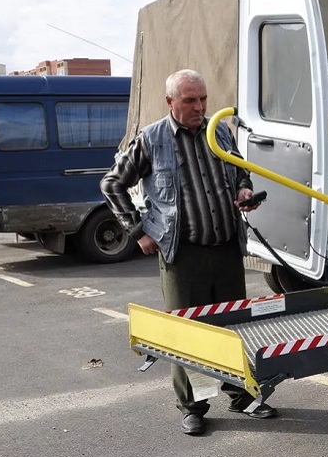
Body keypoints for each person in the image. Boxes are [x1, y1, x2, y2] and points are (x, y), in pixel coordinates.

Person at [100, 68, 277, 436]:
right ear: (170, 102)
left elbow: (239, 174)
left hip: (227, 246)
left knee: (233, 327)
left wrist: (244, 191)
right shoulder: (152, 139)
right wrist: (138, 231)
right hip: (183, 252)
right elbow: (112, 183)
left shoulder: (220, 132)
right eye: (190, 100)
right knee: (186, 332)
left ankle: (240, 395)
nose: (199, 107)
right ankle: (193, 406)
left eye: (203, 99)